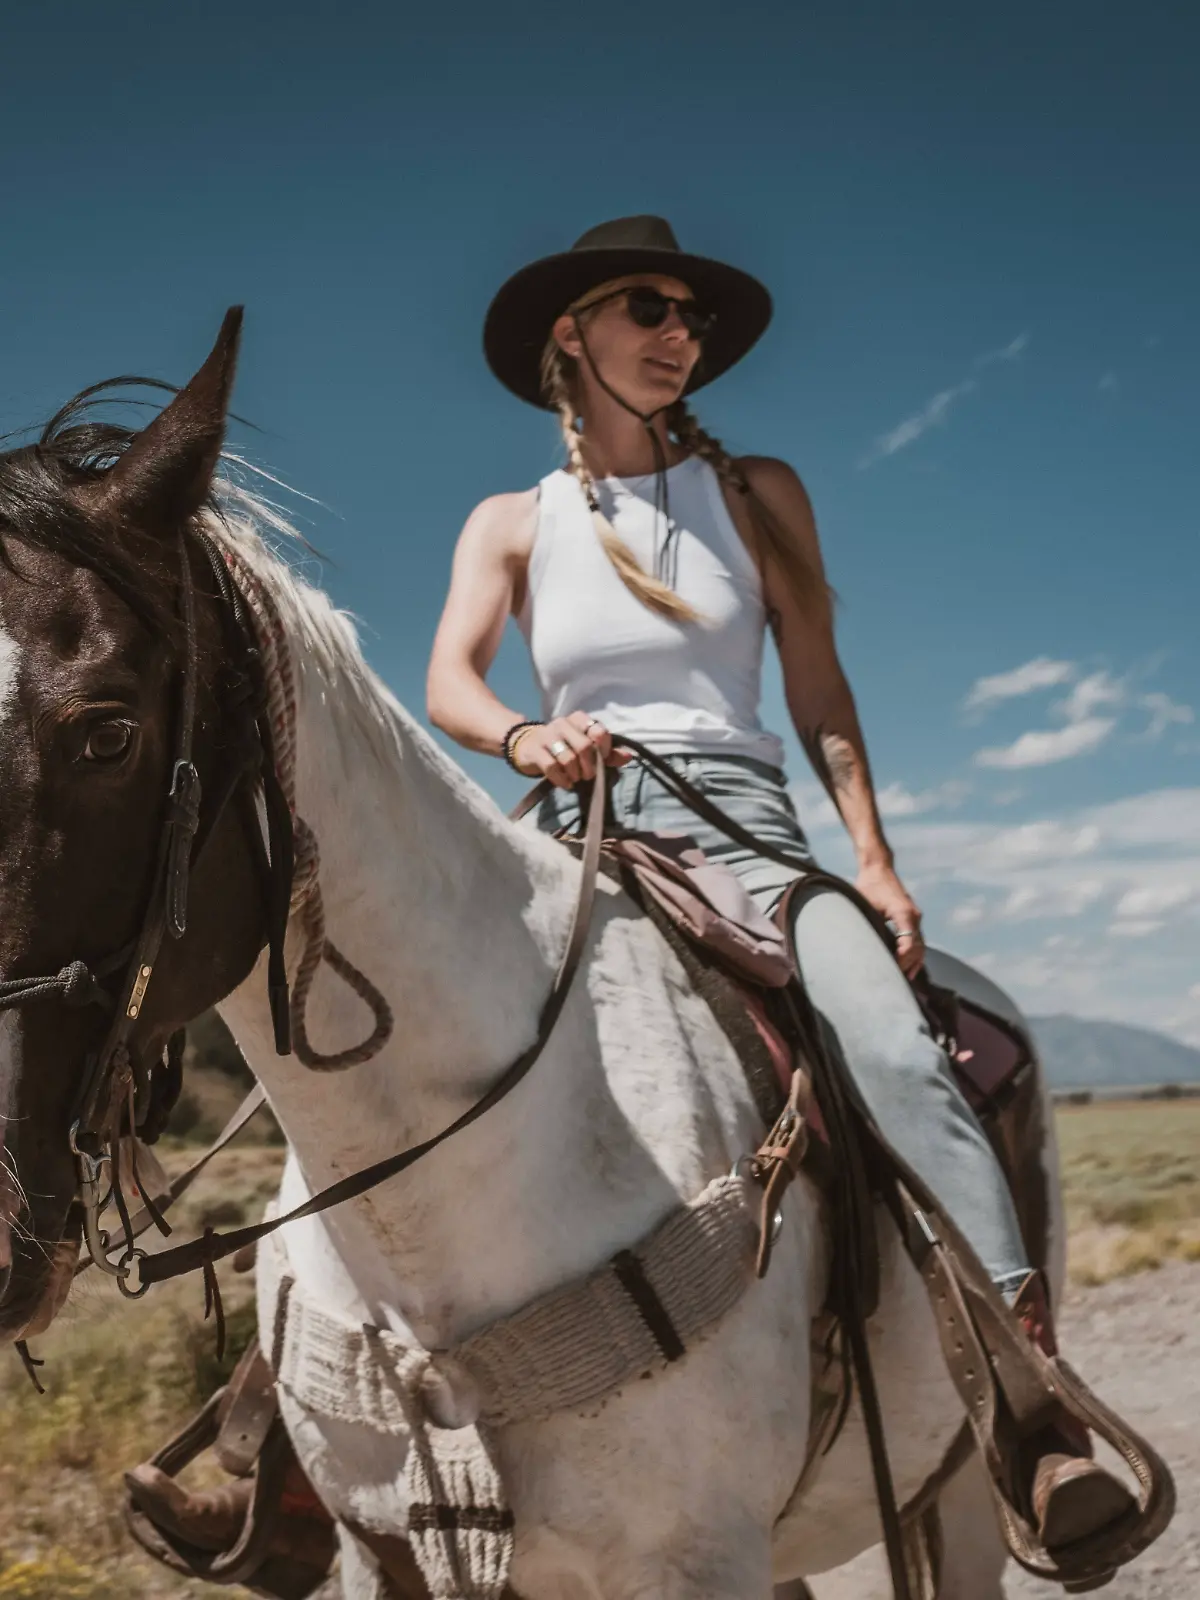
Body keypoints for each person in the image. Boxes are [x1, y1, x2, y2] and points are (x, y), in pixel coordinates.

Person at [427, 215, 1133, 1550]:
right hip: (575, 826)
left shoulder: (757, 493)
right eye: (648, 307)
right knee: (401, 1030)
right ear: (571, 334)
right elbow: (450, 681)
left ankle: (1031, 1410)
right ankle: (283, 1433)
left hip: (745, 832)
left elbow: (820, 694)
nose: (679, 334)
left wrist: (873, 860)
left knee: (899, 1050)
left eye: (691, 316)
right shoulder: (511, 521)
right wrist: (522, 735)